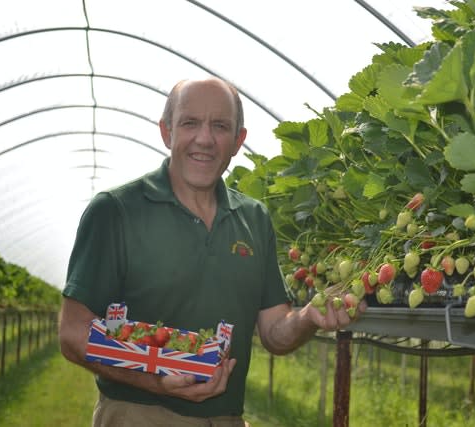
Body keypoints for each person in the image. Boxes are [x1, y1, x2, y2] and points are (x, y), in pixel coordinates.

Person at [58, 76, 366, 427]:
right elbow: (72, 332)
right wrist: (157, 383)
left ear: (238, 141)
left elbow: (274, 332)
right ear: (166, 132)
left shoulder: (254, 218)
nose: (204, 139)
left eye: (220, 126)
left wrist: (309, 317)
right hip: (139, 416)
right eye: (190, 123)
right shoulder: (117, 211)